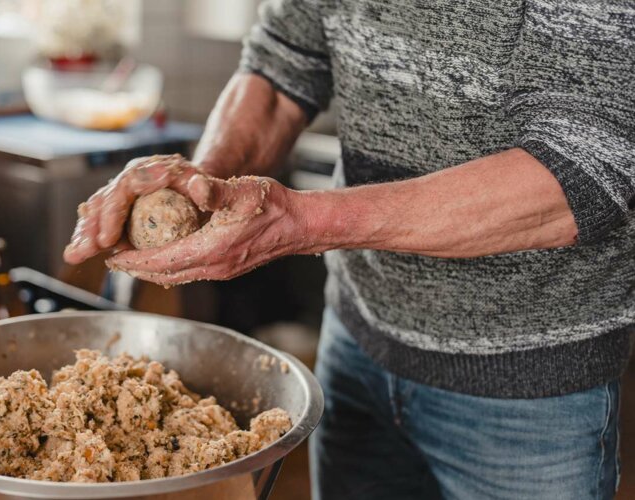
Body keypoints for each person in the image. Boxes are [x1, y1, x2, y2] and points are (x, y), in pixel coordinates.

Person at [63, 0, 635, 498]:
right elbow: (282, 62)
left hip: (528, 389)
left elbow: (586, 168)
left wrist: (303, 221)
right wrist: (202, 186)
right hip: (357, 343)